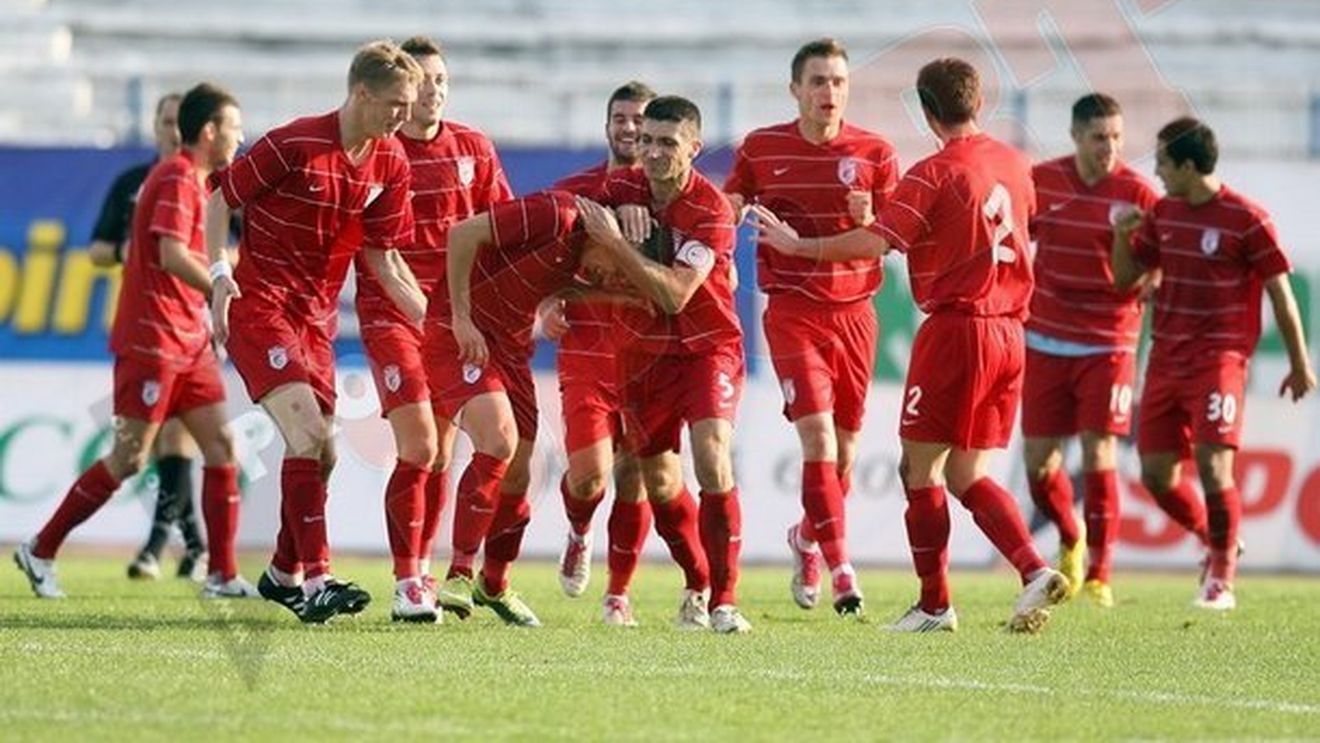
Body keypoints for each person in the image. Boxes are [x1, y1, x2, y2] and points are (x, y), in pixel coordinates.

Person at [755, 58, 1069, 633]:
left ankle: (934, 604)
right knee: (968, 474)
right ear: (979, 101)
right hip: (1010, 334)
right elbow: (1007, 227)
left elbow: (876, 241)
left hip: (958, 329)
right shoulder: (1018, 164)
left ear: (927, 111)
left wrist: (797, 246)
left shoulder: (933, 171)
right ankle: (1031, 570)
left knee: (918, 471)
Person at [207, 41, 426, 624]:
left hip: (316, 321)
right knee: (307, 434)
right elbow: (218, 199)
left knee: (323, 451)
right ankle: (318, 582)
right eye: (396, 104)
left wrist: (435, 322)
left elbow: (385, 262)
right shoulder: (294, 142)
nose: (404, 115)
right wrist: (219, 273)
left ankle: (283, 572)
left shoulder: (390, 163)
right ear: (360, 93)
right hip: (261, 309)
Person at [15, 83, 254, 600]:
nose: (240, 138)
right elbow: (169, 254)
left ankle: (222, 575)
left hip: (189, 341)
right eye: (234, 129)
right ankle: (41, 548)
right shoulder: (171, 178)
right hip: (154, 339)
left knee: (221, 445)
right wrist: (218, 283)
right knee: (128, 457)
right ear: (209, 131)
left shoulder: (199, 182)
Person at [1110, 117, 1315, 610]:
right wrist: (1121, 235)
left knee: (1212, 464)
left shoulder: (1247, 219)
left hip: (1219, 359)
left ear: (1186, 165)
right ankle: (1216, 539)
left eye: (1162, 162)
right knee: (1157, 475)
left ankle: (1221, 578)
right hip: (1165, 359)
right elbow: (1125, 281)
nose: (1155, 171)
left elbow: (1282, 296)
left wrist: (1299, 362)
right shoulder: (1163, 213)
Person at [724, 38, 898, 616]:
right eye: (819, 81)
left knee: (844, 454)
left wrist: (871, 218)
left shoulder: (875, 152)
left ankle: (806, 537)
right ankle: (843, 570)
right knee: (819, 440)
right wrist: (723, 242)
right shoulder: (762, 147)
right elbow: (729, 200)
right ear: (795, 89)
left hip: (856, 314)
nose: (830, 92)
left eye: (839, 81)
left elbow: (892, 237)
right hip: (794, 314)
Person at [353, 35, 513, 623]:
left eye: (443, 80)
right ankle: (406, 581)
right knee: (422, 445)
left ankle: (454, 573)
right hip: (394, 311)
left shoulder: (473, 147)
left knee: (490, 437)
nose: (435, 91)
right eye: (424, 82)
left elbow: (500, 234)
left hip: (458, 315)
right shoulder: (378, 154)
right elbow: (374, 252)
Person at [577, 95, 750, 634]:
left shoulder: (711, 209)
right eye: (647, 140)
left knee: (712, 456)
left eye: (667, 143)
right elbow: (574, 229)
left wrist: (617, 244)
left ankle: (724, 601)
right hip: (643, 353)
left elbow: (676, 294)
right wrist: (601, 223)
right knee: (655, 479)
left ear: (693, 149)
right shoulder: (619, 188)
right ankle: (696, 583)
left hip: (706, 346)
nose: (652, 152)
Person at [426, 190, 630, 627]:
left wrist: (557, 303)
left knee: (520, 471)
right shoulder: (555, 214)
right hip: (460, 330)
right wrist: (461, 317)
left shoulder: (585, 261)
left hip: (512, 349)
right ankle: (459, 573)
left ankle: (494, 583)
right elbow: (462, 234)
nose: (608, 276)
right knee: (498, 440)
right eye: (615, 263)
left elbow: (547, 280)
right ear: (602, 233)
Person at [1021, 94, 1160, 608]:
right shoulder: (1043, 181)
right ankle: (1070, 535)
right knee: (1039, 465)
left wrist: (1152, 276)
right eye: (1100, 137)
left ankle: (1100, 574)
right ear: (1076, 136)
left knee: (1099, 453)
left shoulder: (1138, 193)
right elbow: (1016, 237)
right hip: (1045, 337)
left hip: (1109, 341)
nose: (1110, 148)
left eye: (1117, 138)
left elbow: (1156, 260)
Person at [544, 80, 656, 626]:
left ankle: (618, 593)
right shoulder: (575, 191)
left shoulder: (672, 197)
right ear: (607, 124)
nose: (630, 128)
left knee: (634, 474)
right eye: (621, 118)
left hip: (648, 353)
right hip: (587, 348)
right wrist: (545, 305)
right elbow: (544, 264)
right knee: (589, 475)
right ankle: (579, 529)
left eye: (640, 119)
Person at [88, 92, 209, 582]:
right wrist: (135, 249)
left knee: (188, 439)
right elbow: (97, 250)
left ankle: (164, 546)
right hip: (147, 322)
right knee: (154, 445)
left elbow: (236, 249)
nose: (173, 130)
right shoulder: (133, 183)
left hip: (193, 323)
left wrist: (205, 267)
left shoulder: (208, 182)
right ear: (155, 126)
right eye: (165, 121)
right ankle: (190, 546)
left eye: (181, 122)